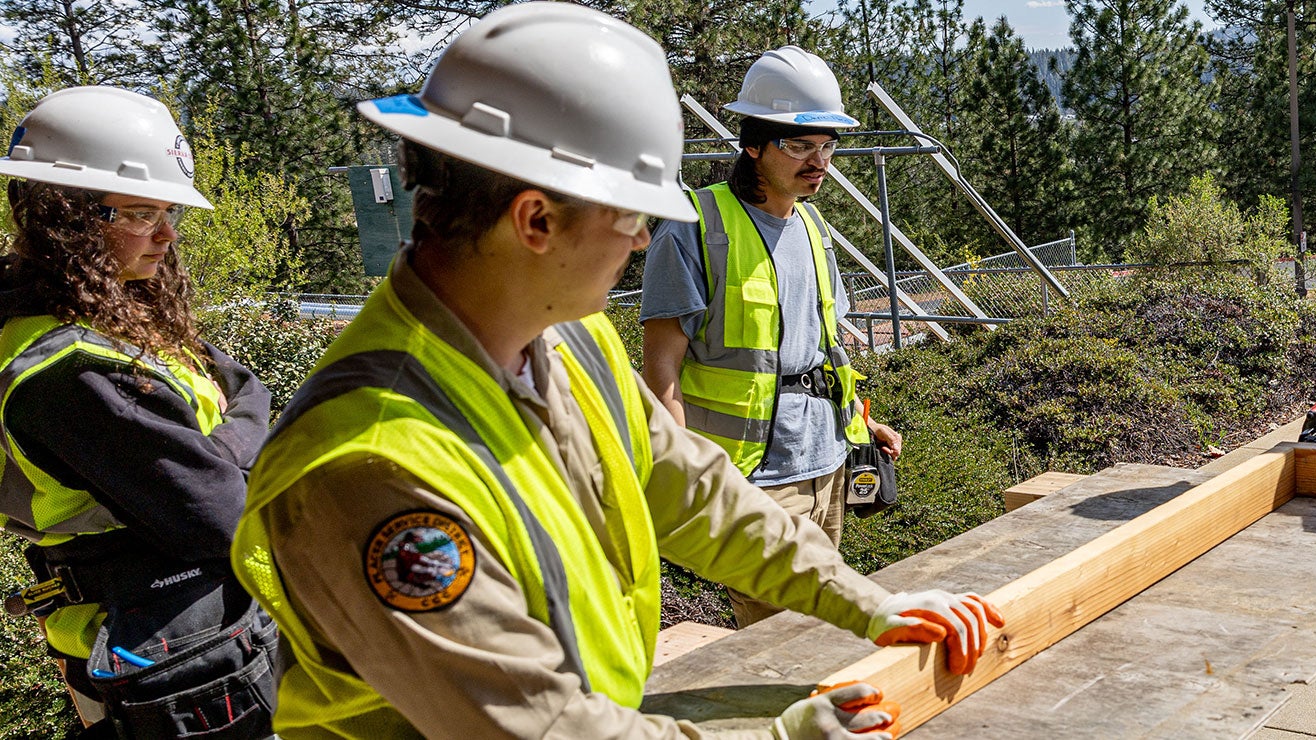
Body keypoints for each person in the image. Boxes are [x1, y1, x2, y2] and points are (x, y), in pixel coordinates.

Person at [227, 5, 1001, 738]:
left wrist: (871, 603)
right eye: (630, 216)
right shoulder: (370, 462)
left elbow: (690, 490)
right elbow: (533, 726)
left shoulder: (570, 339)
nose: (640, 243)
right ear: (535, 220)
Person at [0, 87, 277, 738]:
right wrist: (231, 455)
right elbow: (218, 515)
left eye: (168, 212)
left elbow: (249, 389)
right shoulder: (67, 369)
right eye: (143, 213)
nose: (167, 234)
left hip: (205, 635)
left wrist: (217, 453)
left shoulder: (117, 310)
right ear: (67, 216)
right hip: (167, 662)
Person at [641, 46, 899, 627]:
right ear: (753, 143)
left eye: (827, 145)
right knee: (778, 639)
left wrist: (862, 420)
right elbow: (662, 372)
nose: (819, 161)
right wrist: (681, 472)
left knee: (825, 626)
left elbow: (823, 351)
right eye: (799, 144)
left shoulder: (813, 227)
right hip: (751, 478)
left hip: (828, 462)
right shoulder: (694, 226)